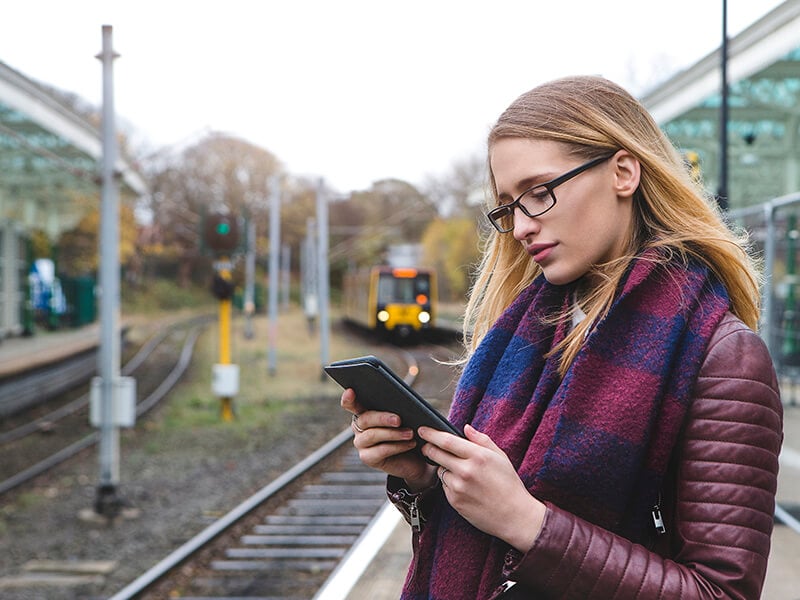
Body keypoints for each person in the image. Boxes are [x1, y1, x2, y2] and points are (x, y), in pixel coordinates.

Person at [340, 75, 783, 599]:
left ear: (623, 172)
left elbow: (721, 592)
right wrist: (422, 478)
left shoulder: (723, 357)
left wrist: (528, 522)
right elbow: (477, 542)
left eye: (540, 193)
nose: (521, 226)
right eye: (508, 206)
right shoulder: (521, 336)